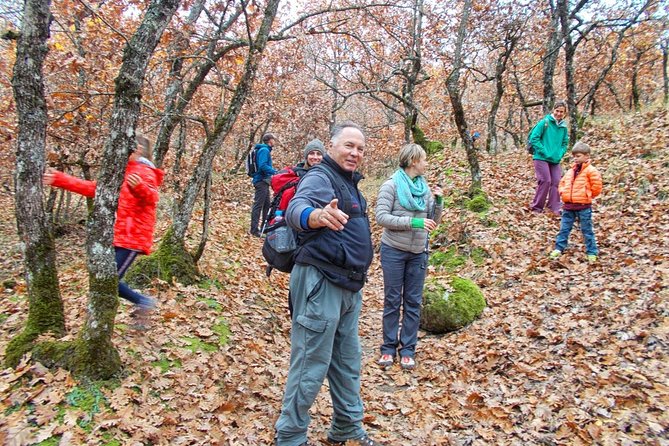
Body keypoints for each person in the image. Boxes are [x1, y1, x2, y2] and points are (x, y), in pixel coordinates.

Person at [274, 122, 380, 446]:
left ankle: (347, 426)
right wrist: (315, 216)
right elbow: (297, 208)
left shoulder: (352, 186)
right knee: (310, 363)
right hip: (321, 284)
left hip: (348, 287)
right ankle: (290, 437)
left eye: (360, 148)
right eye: (349, 145)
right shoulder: (321, 177)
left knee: (347, 362)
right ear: (333, 145)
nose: (355, 153)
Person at [43, 135, 163, 329]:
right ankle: (140, 304)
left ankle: (143, 302)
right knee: (106, 277)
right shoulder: (121, 171)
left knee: (109, 279)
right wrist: (60, 179)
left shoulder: (145, 172)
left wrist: (139, 187)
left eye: (137, 147)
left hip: (134, 237)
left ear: (141, 150)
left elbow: (152, 197)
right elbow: (94, 189)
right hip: (117, 235)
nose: (133, 150)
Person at [375, 143, 443, 371]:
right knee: (393, 300)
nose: (426, 163)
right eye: (424, 159)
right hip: (393, 250)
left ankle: (407, 350)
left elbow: (433, 221)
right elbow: (382, 217)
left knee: (413, 302)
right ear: (413, 161)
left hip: (418, 252)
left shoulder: (423, 188)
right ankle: (387, 348)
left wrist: (439, 202)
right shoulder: (390, 186)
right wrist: (413, 222)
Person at [549, 141, 603, 262]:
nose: (576, 159)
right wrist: (563, 192)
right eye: (574, 156)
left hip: (583, 206)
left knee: (587, 230)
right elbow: (562, 183)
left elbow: (597, 186)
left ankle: (592, 252)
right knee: (564, 228)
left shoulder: (591, 171)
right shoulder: (571, 171)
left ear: (587, 156)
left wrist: (587, 195)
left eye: (578, 156)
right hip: (568, 206)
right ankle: (559, 248)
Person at [529, 101, 569, 214]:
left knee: (557, 181)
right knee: (545, 181)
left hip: (555, 159)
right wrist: (544, 151)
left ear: (564, 113)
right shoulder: (544, 122)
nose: (559, 113)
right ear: (553, 110)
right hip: (541, 157)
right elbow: (534, 138)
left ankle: (554, 207)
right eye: (557, 111)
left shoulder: (563, 127)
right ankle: (537, 207)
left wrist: (560, 154)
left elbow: (565, 142)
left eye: (561, 112)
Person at [250, 133, 277, 237]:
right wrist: (275, 172)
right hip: (261, 181)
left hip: (263, 181)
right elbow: (262, 166)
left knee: (266, 205)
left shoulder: (263, 150)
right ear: (270, 141)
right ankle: (254, 230)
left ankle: (264, 229)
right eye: (273, 140)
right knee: (258, 205)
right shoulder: (264, 150)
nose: (274, 142)